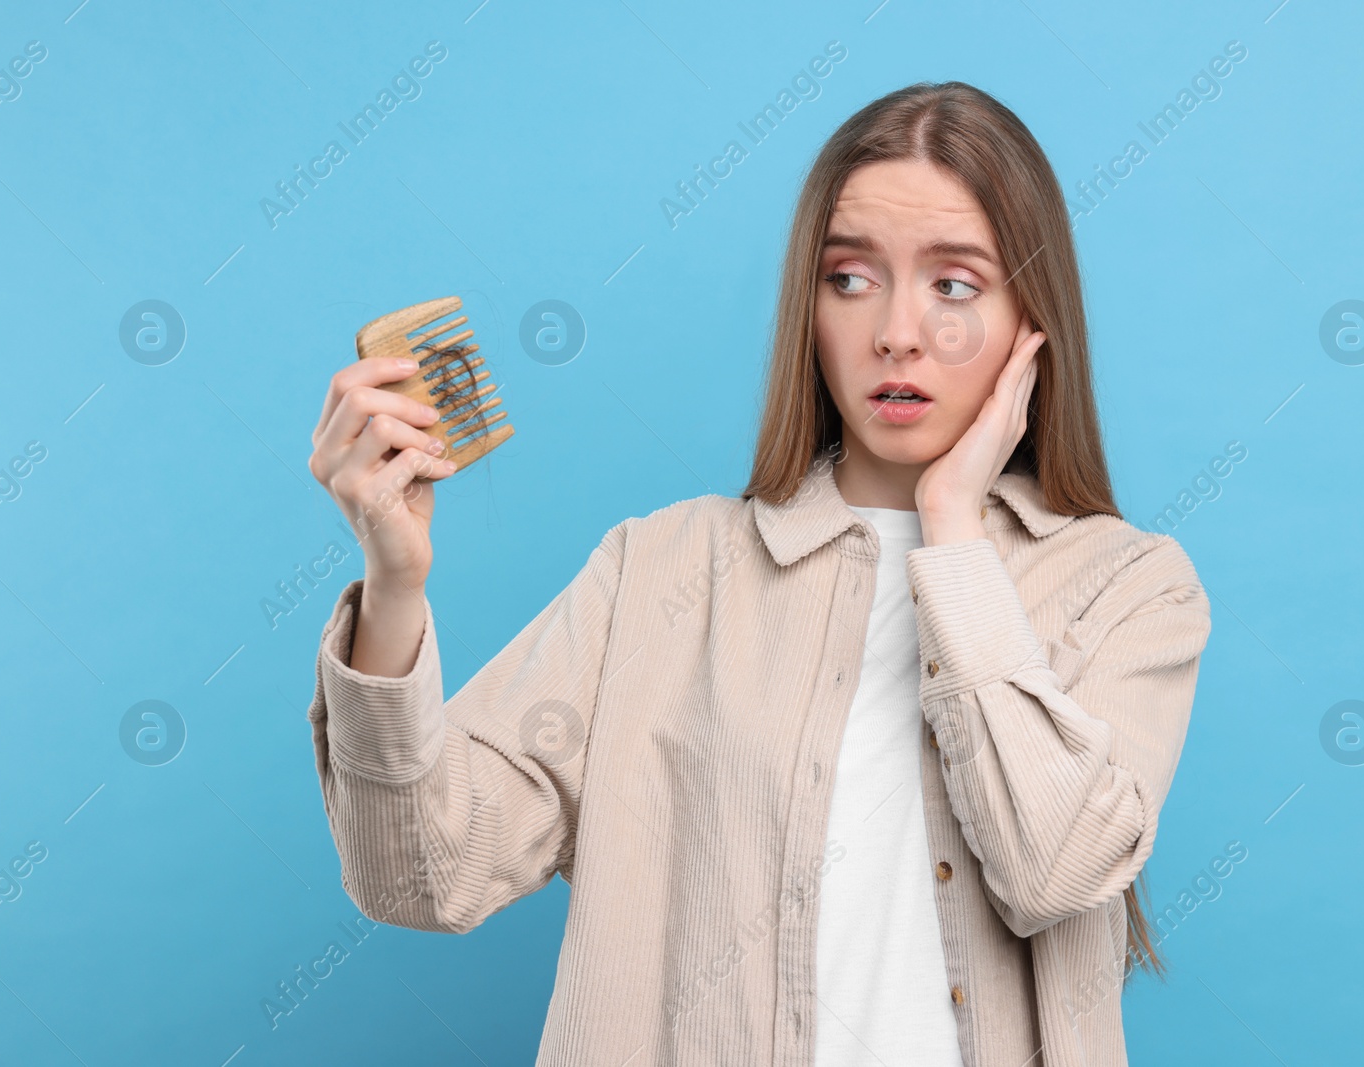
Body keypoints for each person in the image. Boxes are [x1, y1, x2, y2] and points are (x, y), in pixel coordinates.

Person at [305, 81, 1212, 1067]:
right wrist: (393, 585)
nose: (895, 331)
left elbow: (1053, 868)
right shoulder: (658, 570)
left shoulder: (1130, 587)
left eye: (954, 283)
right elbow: (417, 874)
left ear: (1031, 321)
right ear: (807, 307)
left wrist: (949, 532)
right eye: (850, 278)